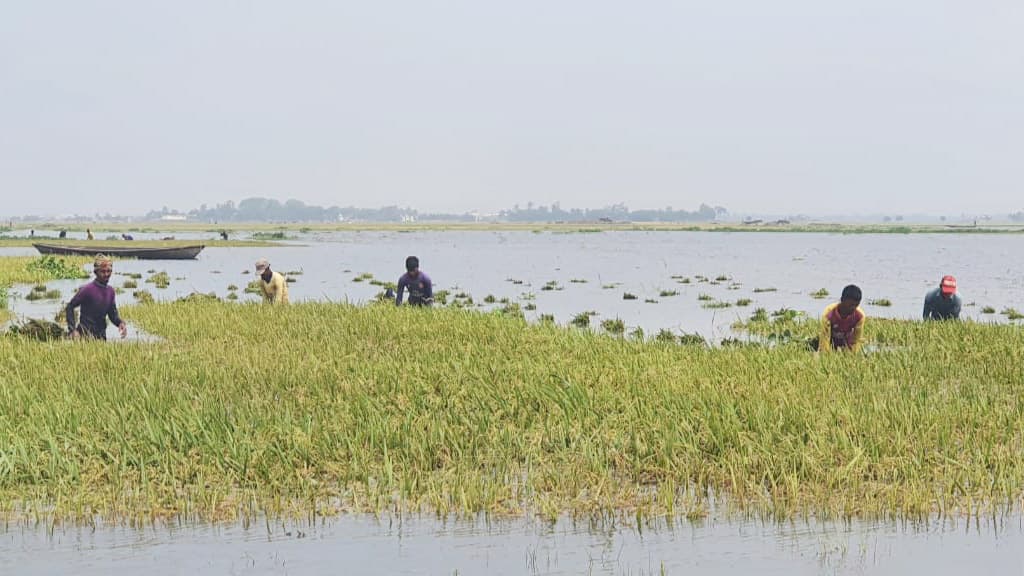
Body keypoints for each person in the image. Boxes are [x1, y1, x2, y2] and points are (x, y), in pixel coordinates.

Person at [66, 254, 127, 340]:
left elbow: (112, 315)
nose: (106, 274)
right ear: (96, 272)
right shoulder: (87, 289)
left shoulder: (111, 291)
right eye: (103, 271)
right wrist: (72, 330)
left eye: (109, 271)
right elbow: (70, 306)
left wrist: (120, 323)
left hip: (101, 336)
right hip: (85, 335)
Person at [819, 284, 865, 352]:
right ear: (842, 300)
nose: (853, 308)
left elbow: (856, 340)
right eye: (850, 305)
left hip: (846, 343)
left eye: (856, 305)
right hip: (831, 340)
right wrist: (826, 355)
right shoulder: (829, 313)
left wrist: (853, 354)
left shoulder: (860, 316)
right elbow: (825, 337)